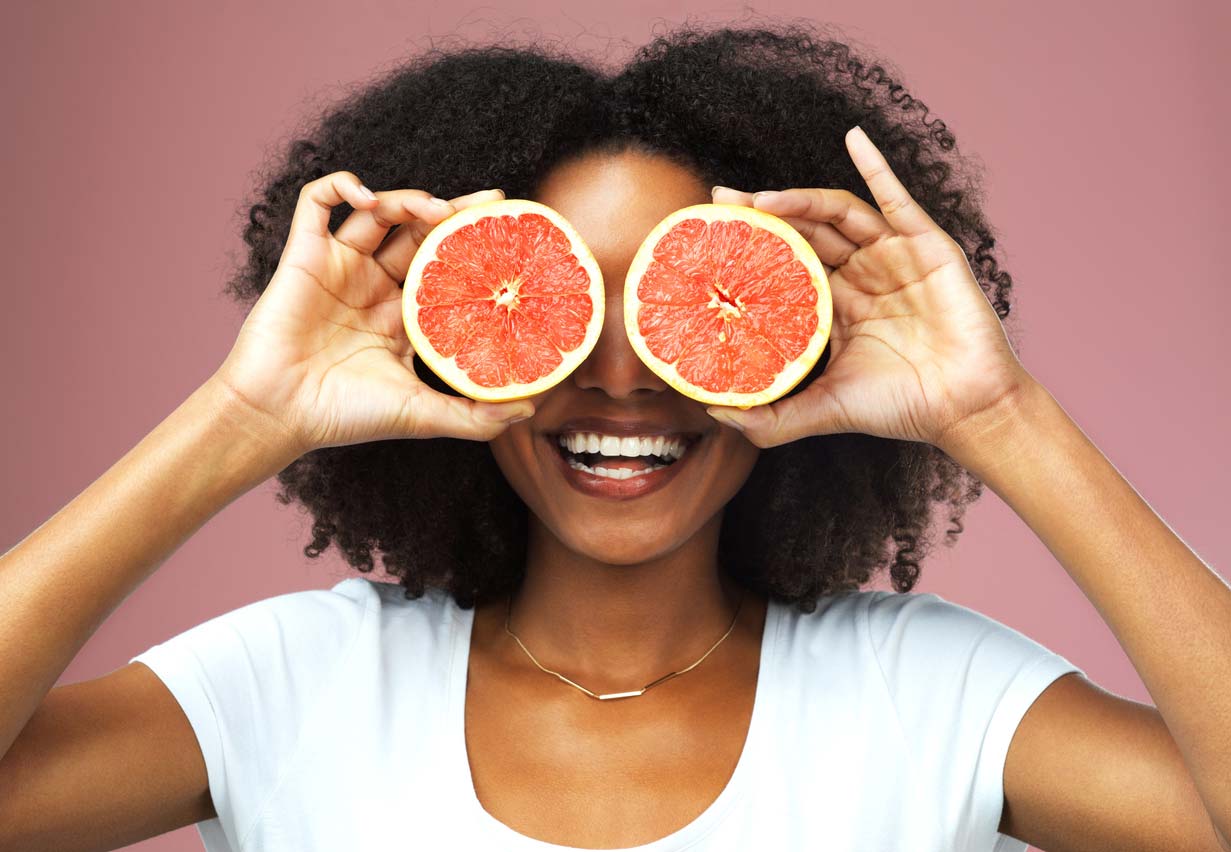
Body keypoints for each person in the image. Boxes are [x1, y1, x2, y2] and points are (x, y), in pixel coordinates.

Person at [1, 20, 1228, 852]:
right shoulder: (293, 684)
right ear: (452, 335)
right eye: (557, 305)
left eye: (685, 305)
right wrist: (245, 414)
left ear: (807, 330)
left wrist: (996, 414)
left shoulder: (933, 696)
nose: (624, 376)